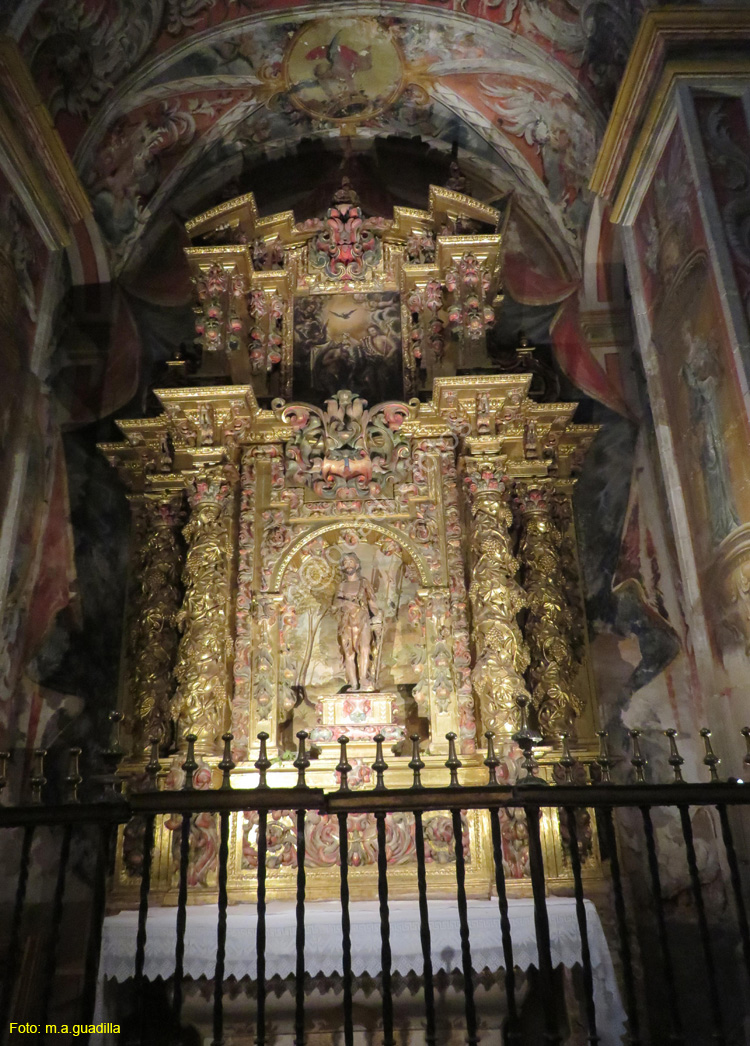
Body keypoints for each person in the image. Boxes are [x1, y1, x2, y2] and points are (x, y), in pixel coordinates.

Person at [333, 552, 382, 691]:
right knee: (349, 653)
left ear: (357, 565)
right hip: (346, 621)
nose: (348, 565)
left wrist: (378, 616)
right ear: (343, 567)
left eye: (351, 562)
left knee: (365, 649)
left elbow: (372, 602)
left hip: (363, 619)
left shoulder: (363, 582)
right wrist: (345, 603)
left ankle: (364, 680)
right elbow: (335, 603)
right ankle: (354, 685)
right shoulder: (342, 586)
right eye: (346, 563)